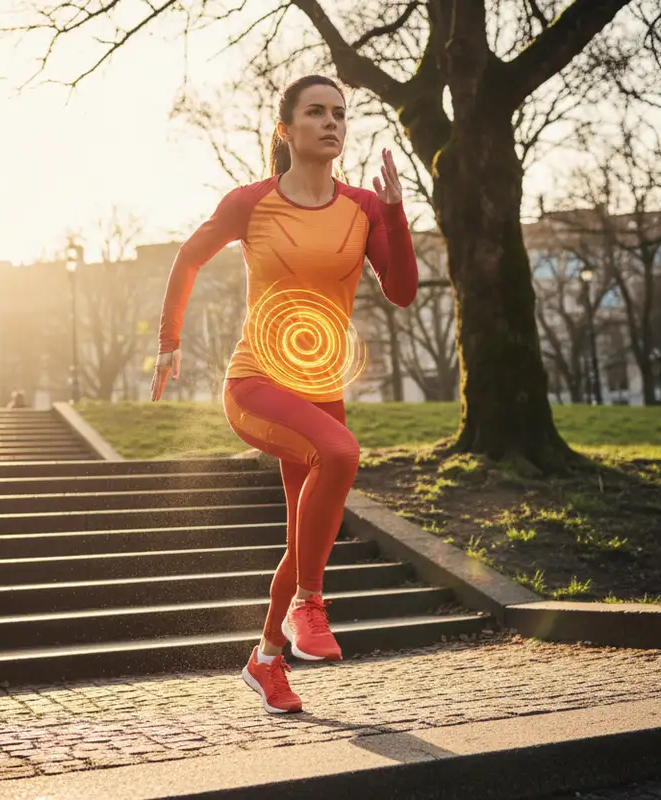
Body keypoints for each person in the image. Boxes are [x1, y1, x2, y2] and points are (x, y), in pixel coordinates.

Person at [150, 75, 418, 714]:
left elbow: (403, 290)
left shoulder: (362, 207)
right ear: (286, 130)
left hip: (322, 390)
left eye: (339, 114)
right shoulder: (251, 202)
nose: (331, 123)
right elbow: (188, 258)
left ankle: (266, 659)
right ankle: (308, 606)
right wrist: (169, 340)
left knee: (305, 535)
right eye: (316, 113)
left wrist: (398, 212)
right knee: (342, 454)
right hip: (256, 385)